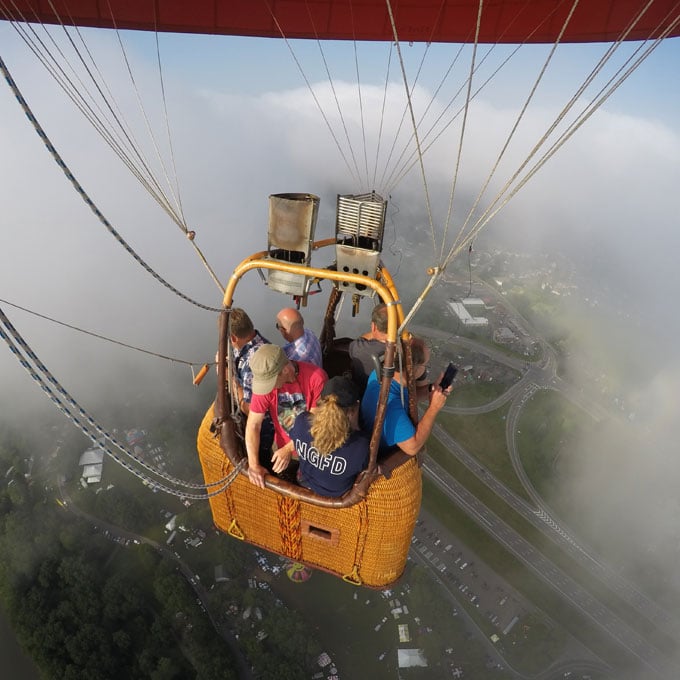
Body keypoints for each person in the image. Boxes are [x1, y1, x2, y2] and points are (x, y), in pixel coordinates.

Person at [246, 344, 327, 488]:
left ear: (284, 370)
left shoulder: (316, 378)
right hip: (280, 448)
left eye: (270, 383)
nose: (267, 389)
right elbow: (253, 424)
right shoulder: (265, 384)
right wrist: (254, 465)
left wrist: (288, 449)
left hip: (311, 449)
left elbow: (316, 424)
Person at [275, 376, 369, 497]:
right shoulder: (360, 446)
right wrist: (355, 424)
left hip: (303, 488)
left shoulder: (302, 422)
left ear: (321, 402)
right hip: (337, 502)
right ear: (353, 409)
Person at [360, 337, 451, 457]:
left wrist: (431, 389)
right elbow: (412, 447)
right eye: (425, 366)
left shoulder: (385, 376)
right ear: (415, 368)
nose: (424, 371)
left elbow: (406, 399)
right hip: (383, 455)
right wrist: (433, 408)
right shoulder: (390, 405)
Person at [227, 308, 275, 466]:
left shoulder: (251, 364)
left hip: (265, 431)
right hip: (276, 419)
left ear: (233, 338)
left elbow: (250, 409)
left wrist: (232, 380)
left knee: (264, 462)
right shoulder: (262, 343)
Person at [349, 303, 388, 390]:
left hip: (363, 396)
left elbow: (358, 341)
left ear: (374, 326)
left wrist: (374, 331)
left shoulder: (358, 348)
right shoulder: (405, 350)